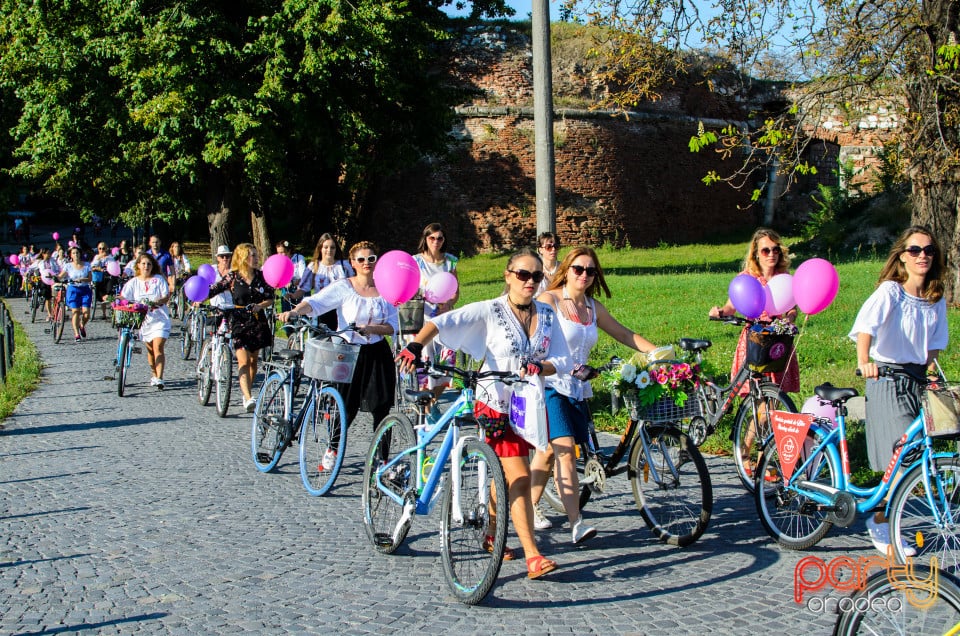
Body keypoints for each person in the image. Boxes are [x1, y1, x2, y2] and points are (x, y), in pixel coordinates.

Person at [397, 247, 572, 580]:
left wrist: (542, 366)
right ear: (508, 275)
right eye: (523, 274)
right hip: (493, 401)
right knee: (518, 473)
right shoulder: (490, 310)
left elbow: (562, 360)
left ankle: (492, 531)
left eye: (536, 276)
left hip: (528, 405)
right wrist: (416, 345)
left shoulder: (548, 316)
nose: (530, 282)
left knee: (506, 472)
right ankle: (533, 555)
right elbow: (441, 321)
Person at [529, 246, 659, 541]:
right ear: (567, 270)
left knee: (548, 453)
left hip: (578, 388)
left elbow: (624, 334)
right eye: (578, 269)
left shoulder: (592, 307)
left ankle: (528, 506)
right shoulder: (548, 300)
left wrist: (658, 352)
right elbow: (535, 340)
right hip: (550, 385)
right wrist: (556, 366)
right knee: (563, 451)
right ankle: (577, 523)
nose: (584, 275)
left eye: (590, 271)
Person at [850, 225, 948, 556]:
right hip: (888, 378)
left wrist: (931, 370)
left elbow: (933, 346)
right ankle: (881, 520)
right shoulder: (891, 292)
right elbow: (865, 328)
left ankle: (885, 512)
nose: (923, 256)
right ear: (902, 258)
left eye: (929, 250)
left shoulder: (936, 298)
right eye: (915, 250)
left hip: (917, 380)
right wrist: (865, 361)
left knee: (918, 451)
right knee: (902, 453)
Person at [279, 241, 398, 469]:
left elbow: (394, 324)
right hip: (349, 352)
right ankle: (333, 447)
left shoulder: (386, 289)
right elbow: (316, 302)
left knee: (382, 406)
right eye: (361, 259)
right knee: (346, 405)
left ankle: (382, 458)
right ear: (352, 263)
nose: (366, 263)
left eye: (371, 259)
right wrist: (294, 311)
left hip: (377, 351)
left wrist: (373, 329)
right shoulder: (344, 287)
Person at [707, 228, 800, 474]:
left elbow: (792, 307)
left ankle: (754, 454)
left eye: (776, 250)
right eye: (766, 250)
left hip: (778, 342)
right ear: (756, 255)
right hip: (755, 342)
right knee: (763, 405)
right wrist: (719, 312)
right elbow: (732, 306)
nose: (771, 254)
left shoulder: (784, 277)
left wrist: (790, 319)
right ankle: (755, 456)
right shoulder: (747, 278)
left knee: (770, 405)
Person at [206, 243, 276, 412]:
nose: (256, 258)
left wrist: (261, 305)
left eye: (256, 255)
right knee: (243, 360)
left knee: (253, 361)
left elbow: (270, 297)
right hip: (238, 320)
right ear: (243, 258)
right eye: (252, 255)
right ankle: (248, 396)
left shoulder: (261, 276)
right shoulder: (233, 277)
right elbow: (213, 290)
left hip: (257, 320)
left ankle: (248, 393)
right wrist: (199, 295)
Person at [411, 222, 459, 397]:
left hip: (444, 317)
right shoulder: (416, 261)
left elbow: (455, 291)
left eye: (439, 238)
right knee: (425, 360)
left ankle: (435, 398)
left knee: (447, 361)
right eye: (432, 238)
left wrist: (447, 304)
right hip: (423, 317)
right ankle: (427, 406)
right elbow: (410, 288)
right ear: (426, 238)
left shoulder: (450, 261)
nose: (436, 241)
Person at [120, 252, 171, 389]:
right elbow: (124, 297)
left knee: (158, 347)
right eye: (143, 264)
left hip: (160, 318)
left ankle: (160, 378)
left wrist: (157, 302)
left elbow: (166, 296)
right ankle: (154, 373)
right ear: (138, 265)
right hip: (144, 321)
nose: (146, 266)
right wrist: (122, 302)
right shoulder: (133, 282)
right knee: (150, 350)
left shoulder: (159, 279)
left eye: (149, 264)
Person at [288, 234, 354, 330]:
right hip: (321, 311)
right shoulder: (313, 266)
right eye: (325, 247)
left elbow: (354, 286)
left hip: (342, 311)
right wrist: (293, 295)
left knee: (340, 342)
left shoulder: (344, 266)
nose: (329, 250)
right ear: (320, 249)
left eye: (332, 247)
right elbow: (303, 288)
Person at [57, 246, 93, 342]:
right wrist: (55, 277)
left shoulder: (86, 265)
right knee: (75, 311)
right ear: (70, 255)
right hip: (73, 290)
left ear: (80, 254)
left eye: (77, 253)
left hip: (85, 289)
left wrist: (82, 279)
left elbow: (90, 278)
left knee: (87, 315)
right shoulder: (68, 266)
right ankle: (76, 334)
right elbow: (61, 276)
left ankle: (81, 324)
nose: (76, 255)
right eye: (73, 253)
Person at [275, 240, 307, 312]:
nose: (280, 255)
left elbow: (304, 276)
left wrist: (292, 283)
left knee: (302, 312)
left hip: (299, 288)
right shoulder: (278, 261)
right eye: (278, 253)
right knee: (287, 312)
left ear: (289, 251)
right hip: (286, 290)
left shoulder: (299, 258)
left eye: (282, 252)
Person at [89, 242, 115, 320]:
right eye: (100, 248)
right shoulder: (96, 257)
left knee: (110, 286)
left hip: (108, 277)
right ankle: (104, 313)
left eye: (103, 248)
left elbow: (113, 268)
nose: (101, 250)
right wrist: (99, 260)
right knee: (98, 287)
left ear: (106, 249)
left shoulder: (110, 257)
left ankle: (111, 309)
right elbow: (92, 267)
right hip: (99, 277)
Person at [209, 245, 235, 310]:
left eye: (227, 256)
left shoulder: (233, 271)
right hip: (215, 306)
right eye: (222, 256)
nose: (225, 258)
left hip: (230, 305)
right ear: (218, 258)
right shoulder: (212, 269)